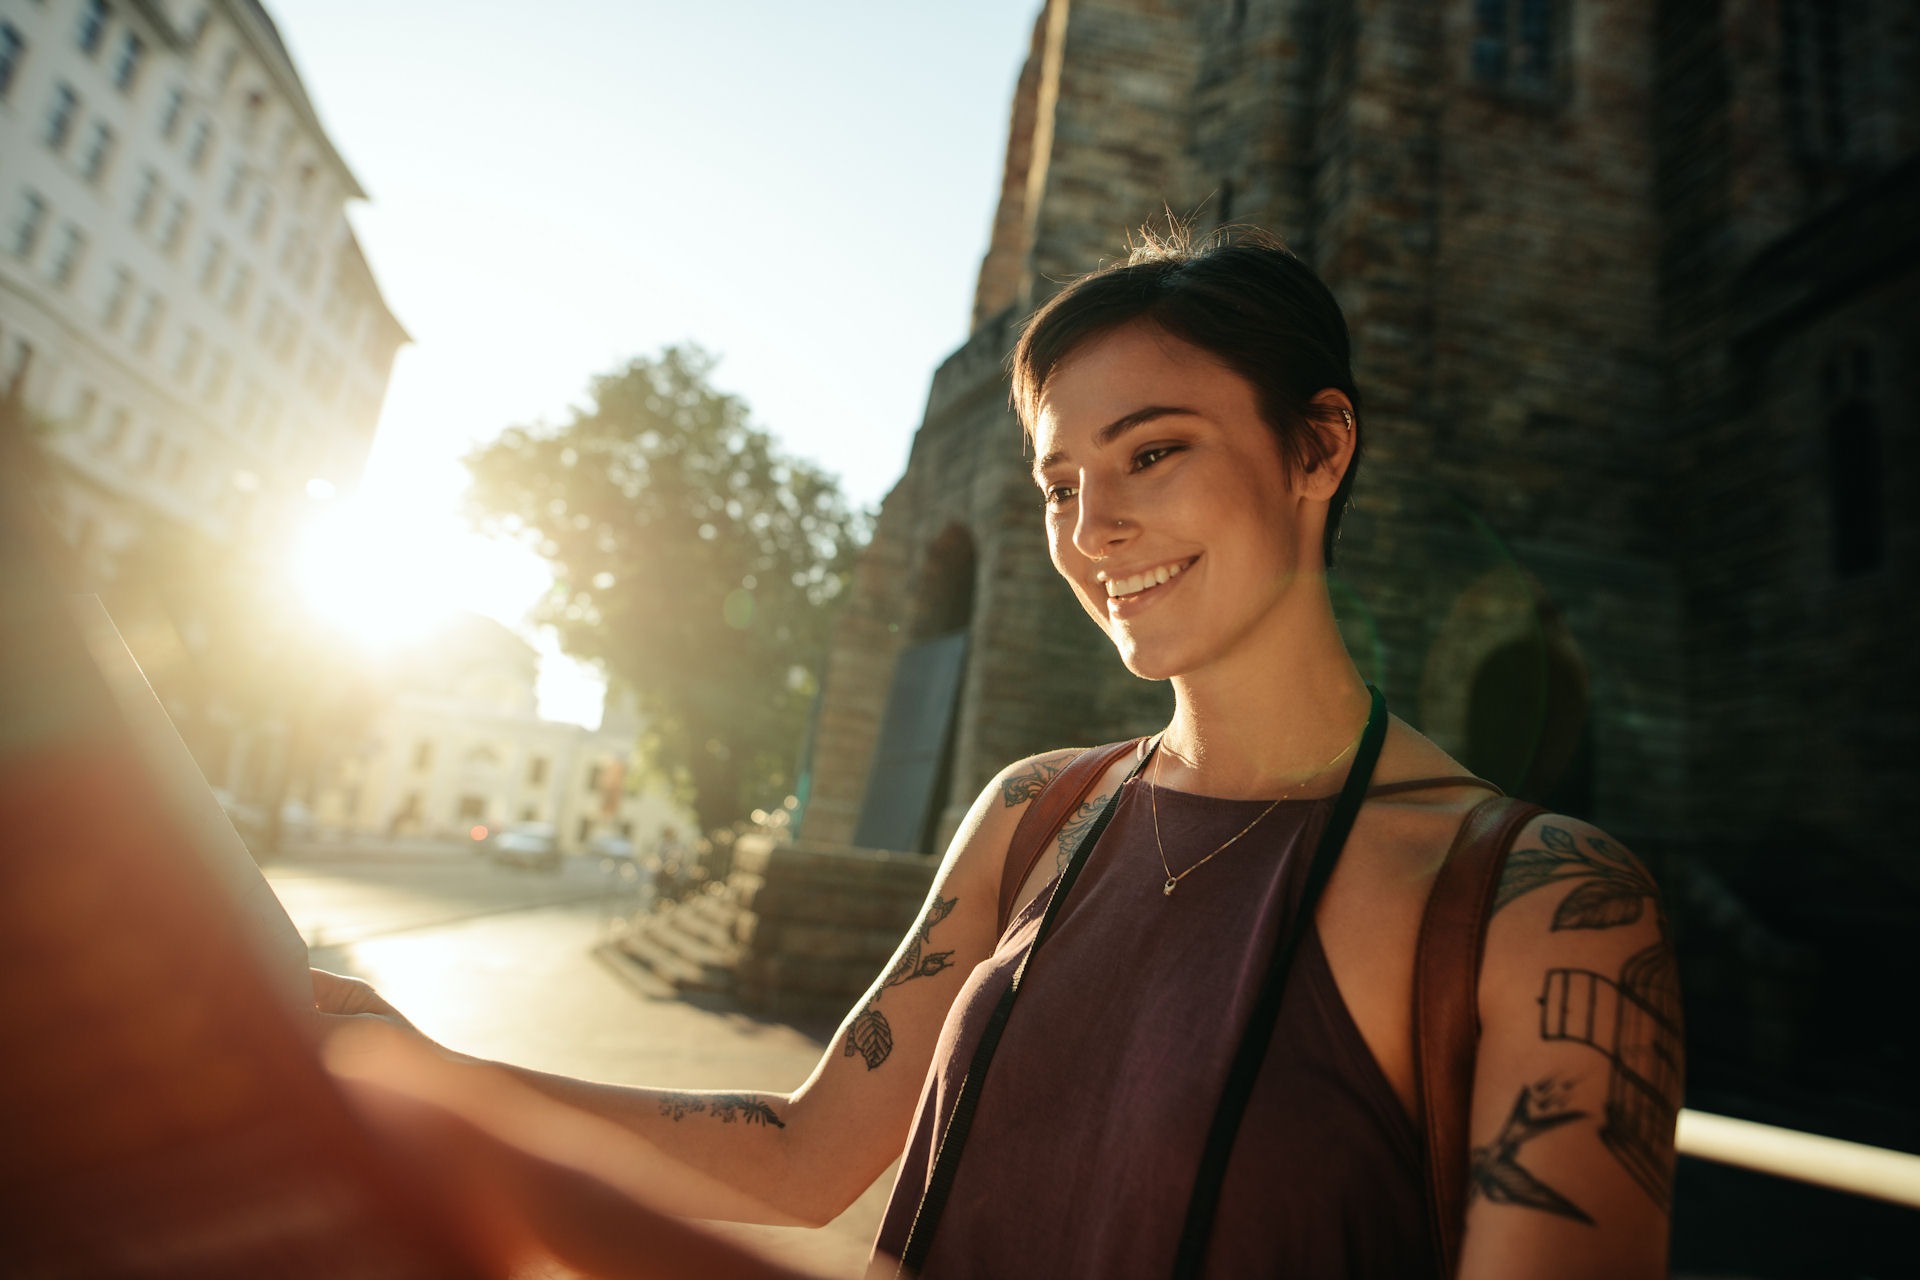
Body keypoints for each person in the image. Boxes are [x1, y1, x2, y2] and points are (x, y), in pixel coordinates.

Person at [316, 228, 1683, 1278]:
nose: (1094, 531)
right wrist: (418, 1066)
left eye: (1154, 453)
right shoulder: (1039, 811)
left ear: (1317, 447)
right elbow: (806, 1157)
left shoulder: (1545, 904)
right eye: (1059, 484)